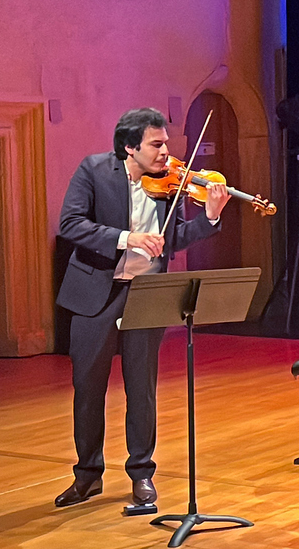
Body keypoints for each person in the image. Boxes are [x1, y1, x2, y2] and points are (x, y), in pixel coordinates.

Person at [54, 107, 231, 509]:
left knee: (141, 388)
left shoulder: (169, 183)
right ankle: (87, 475)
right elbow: (71, 224)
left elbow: (173, 238)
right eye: (157, 144)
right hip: (95, 293)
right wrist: (126, 238)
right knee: (88, 389)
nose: (166, 151)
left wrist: (209, 218)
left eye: (165, 143)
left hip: (146, 293)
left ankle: (142, 474)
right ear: (130, 147)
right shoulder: (94, 171)